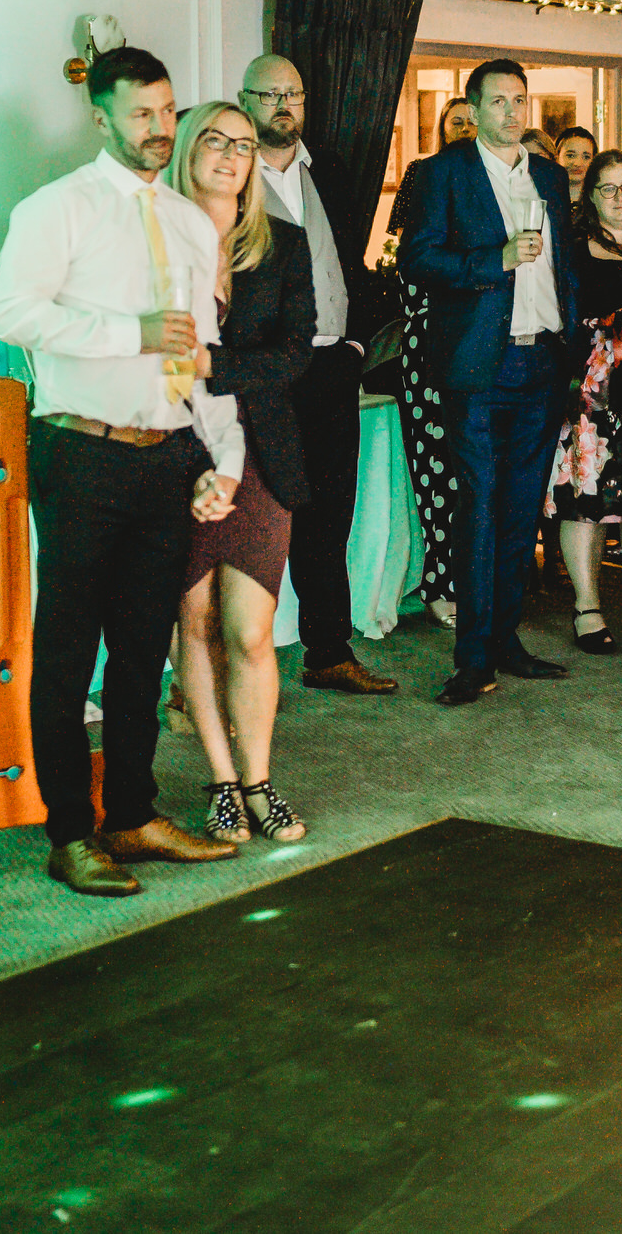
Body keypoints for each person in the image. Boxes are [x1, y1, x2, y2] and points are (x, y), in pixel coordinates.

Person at [0, 45, 247, 896]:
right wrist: (125, 332)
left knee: (145, 649)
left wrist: (221, 457)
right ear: (100, 115)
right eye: (142, 113)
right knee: (67, 650)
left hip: (166, 452)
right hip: (82, 449)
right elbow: (11, 314)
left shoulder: (189, 220)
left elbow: (197, 353)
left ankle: (132, 815)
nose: (160, 129)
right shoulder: (55, 207)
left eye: (169, 112)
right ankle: (70, 833)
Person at [400, 58, 578, 706]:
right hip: (479, 363)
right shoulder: (442, 173)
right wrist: (492, 260)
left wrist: (573, 341)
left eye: (519, 100)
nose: (511, 111)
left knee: (521, 510)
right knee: (478, 506)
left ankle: (506, 641)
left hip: (542, 361)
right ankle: (471, 659)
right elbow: (417, 258)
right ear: (473, 109)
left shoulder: (551, 178)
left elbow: (568, 265)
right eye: (498, 101)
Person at [166, 101, 311, 846]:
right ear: (189, 148)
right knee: (193, 623)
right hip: (170, 451)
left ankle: (259, 780)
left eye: (244, 145)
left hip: (260, 453)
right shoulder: (152, 237)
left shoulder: (282, 244)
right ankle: (223, 781)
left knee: (250, 632)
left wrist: (217, 364)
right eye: (216, 141)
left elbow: (297, 352)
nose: (229, 155)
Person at [237, 53, 396, 697]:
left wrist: (356, 346)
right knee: (258, 519)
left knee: (331, 515)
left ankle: (328, 652)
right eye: (270, 94)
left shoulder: (325, 169)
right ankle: (232, 659)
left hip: (332, 365)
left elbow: (352, 261)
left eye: (294, 95)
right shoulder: (228, 176)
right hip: (264, 376)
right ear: (245, 101)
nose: (284, 105)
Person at [547, 149, 622, 653]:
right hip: (594, 386)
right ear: (590, 195)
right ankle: (587, 607)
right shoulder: (574, 245)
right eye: (609, 188)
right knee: (586, 499)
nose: (621, 197)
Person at [386, 96, 476, 629]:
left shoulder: (491, 182)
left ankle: (477, 579)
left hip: (485, 345)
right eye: (456, 122)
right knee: (437, 471)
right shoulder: (423, 175)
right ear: (443, 130)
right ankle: (440, 581)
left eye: (471, 121)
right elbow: (406, 262)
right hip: (431, 343)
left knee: (476, 472)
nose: (465, 128)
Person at [552, 125, 597, 210]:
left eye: (586, 157)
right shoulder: (544, 197)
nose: (578, 163)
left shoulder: (599, 203)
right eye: (571, 156)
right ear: (556, 157)